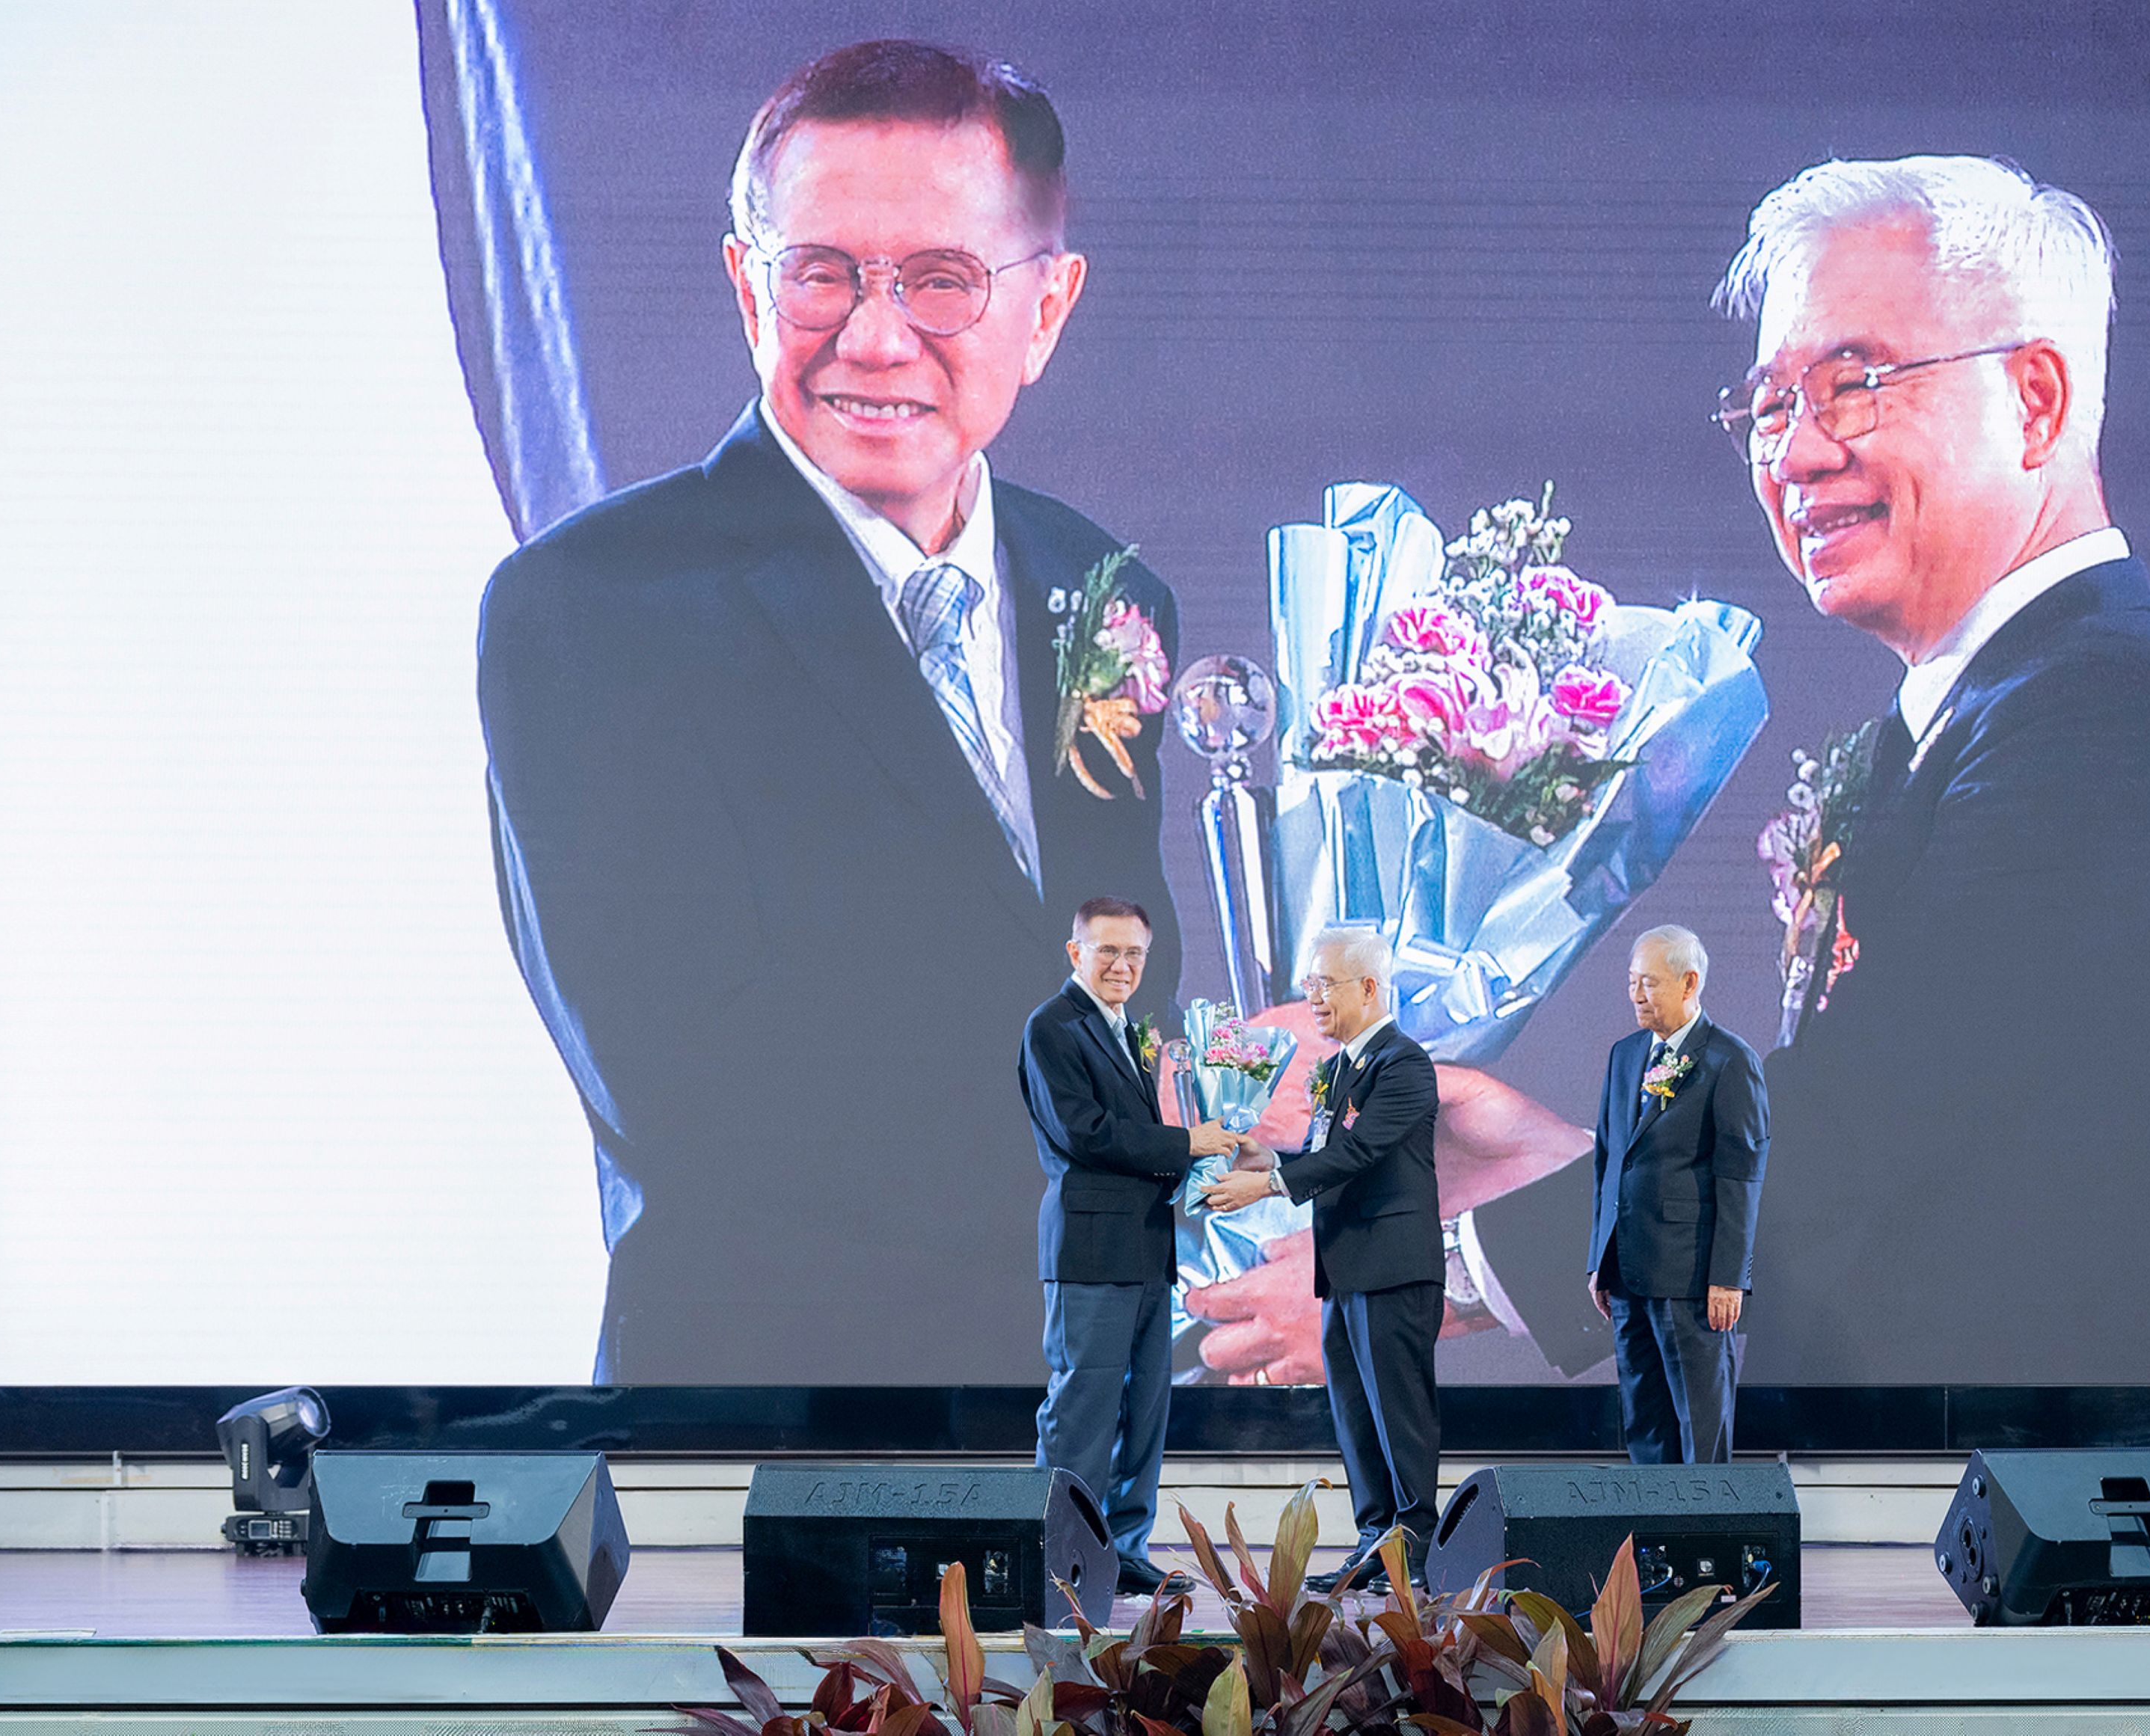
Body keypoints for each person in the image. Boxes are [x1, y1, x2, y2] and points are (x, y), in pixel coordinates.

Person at [476, 41, 1180, 1380]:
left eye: (942, 279)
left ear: (1046, 308)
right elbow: (693, 1094)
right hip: (767, 1422)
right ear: (748, 286)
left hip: (1099, 1403)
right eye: (820, 273)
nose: (874, 335)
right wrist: (1164, 1132)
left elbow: (1122, 970)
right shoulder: (589, 608)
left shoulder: (1104, 591)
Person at [1710, 155, 2150, 1383]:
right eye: (1768, 406)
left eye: (1851, 386)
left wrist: (1479, 1249)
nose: (1794, 455)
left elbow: (1868, 1122)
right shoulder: (1974, 712)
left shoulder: (2105, 722)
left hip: (2042, 1498)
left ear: (2033, 401)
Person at [1202, 929, 1441, 1586]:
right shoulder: (1337, 1069)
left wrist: (1267, 1186)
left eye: (1324, 984)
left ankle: (1417, 1547)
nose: (1312, 996)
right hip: (1344, 1269)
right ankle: (1374, 1538)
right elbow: (1325, 1153)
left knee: (1399, 1412)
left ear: (1369, 987)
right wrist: (1270, 1158)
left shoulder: (1404, 1063)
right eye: (1308, 983)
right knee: (1356, 1413)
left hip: (1394, 1269)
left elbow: (1359, 1154)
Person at [1018, 898, 1233, 1595]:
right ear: (1075, 952)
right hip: (1090, 1249)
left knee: (1144, 1412)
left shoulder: (1131, 1031)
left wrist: (1207, 1165)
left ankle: (1124, 1547)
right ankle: (1061, 1554)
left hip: (1146, 1248)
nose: (1122, 965)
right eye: (1107, 950)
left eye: (1134, 953)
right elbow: (1085, 1133)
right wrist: (1187, 1143)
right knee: (1083, 1408)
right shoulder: (1053, 1026)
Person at [1586, 927, 1766, 1462]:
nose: (1636, 995)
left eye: (1649, 983)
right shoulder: (1625, 1055)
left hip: (1690, 1279)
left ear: (1689, 983)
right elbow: (1608, 1160)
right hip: (1626, 1274)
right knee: (1645, 1423)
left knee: (1700, 1427)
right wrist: (1599, 1258)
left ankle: (1706, 1519)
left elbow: (1741, 1177)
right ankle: (1651, 1521)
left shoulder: (1729, 1060)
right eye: (1631, 982)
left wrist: (1729, 1276)